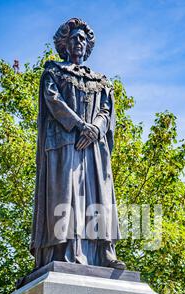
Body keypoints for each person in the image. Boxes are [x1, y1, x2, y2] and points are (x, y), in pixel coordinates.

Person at [30, 18, 126, 270]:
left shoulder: (101, 80)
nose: (79, 43)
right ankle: (62, 250)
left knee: (100, 196)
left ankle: (104, 250)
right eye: (74, 38)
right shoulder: (54, 72)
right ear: (64, 43)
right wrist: (79, 125)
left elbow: (107, 110)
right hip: (65, 144)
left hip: (94, 146)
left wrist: (95, 128)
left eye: (83, 39)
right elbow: (54, 101)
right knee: (66, 196)